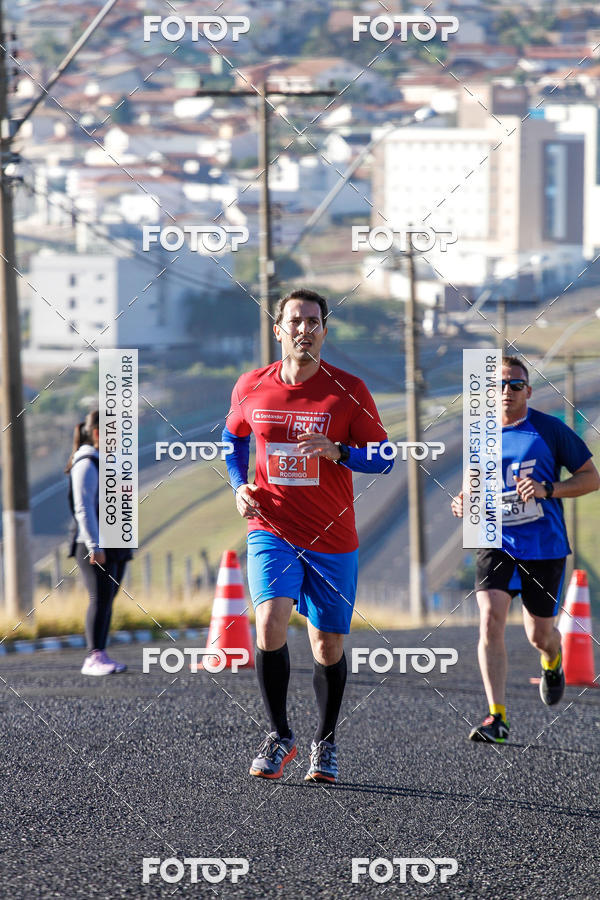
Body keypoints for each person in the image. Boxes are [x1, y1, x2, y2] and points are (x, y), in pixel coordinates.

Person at [222, 288, 393, 782]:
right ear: (278, 330)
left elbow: (385, 457)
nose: (304, 329)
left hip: (333, 538)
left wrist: (339, 450)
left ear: (324, 330)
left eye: (314, 321)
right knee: (270, 622)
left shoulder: (349, 390)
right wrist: (239, 486)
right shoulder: (251, 386)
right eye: (295, 320)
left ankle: (325, 741)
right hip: (271, 528)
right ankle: (279, 735)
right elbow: (233, 438)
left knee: (327, 646)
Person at [451, 355, 600, 742]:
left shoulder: (549, 430)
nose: (506, 391)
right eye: (499, 385)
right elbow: (474, 482)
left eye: (515, 385)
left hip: (542, 544)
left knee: (539, 634)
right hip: (495, 540)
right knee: (490, 619)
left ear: (528, 391)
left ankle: (553, 659)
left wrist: (549, 490)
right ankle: (496, 717)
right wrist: (463, 499)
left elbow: (591, 478)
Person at [65, 409, 131, 676]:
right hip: (95, 544)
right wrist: (95, 546)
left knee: (108, 598)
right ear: (97, 434)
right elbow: (83, 509)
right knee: (99, 598)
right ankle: (94, 656)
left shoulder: (105, 461)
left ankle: (101, 654)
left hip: (113, 541)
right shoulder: (86, 463)